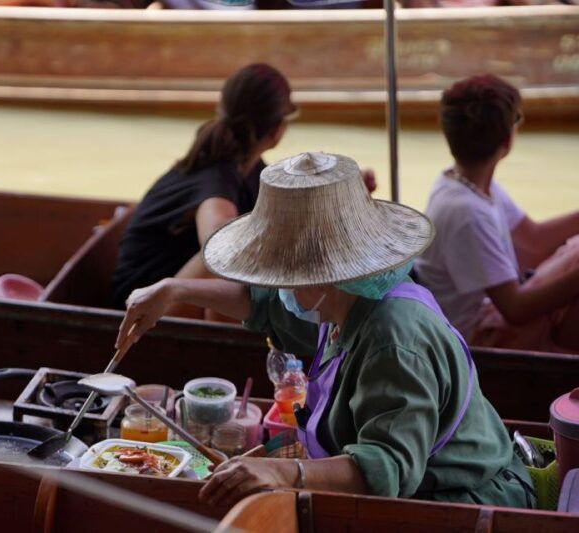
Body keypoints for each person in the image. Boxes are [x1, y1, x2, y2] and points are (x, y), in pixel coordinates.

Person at [116, 152, 532, 508]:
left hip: (461, 497)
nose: (276, 287)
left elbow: (387, 467)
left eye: (280, 274)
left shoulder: (392, 336)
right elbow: (262, 306)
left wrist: (284, 472)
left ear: (320, 275)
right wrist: (173, 291)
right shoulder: (342, 303)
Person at [111, 63, 377, 314]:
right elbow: (218, 239)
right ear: (277, 130)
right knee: (229, 251)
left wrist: (341, 196)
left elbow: (286, 206)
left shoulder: (248, 166)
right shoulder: (217, 178)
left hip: (154, 292)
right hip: (141, 305)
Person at [415, 74, 579, 353]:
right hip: (476, 340)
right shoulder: (466, 212)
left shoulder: (462, 183)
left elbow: (533, 240)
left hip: (494, 314)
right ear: (506, 141)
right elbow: (516, 309)